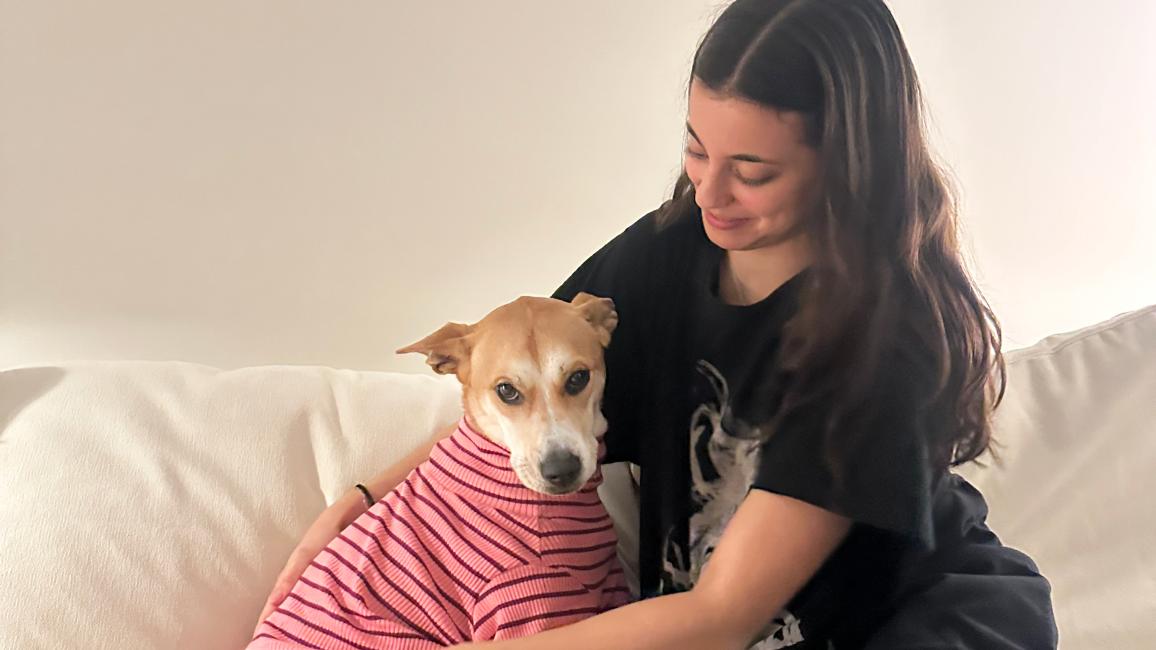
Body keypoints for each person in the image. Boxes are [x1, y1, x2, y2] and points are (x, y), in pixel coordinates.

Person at [256, 1, 1058, 647]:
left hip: (925, 622)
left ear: (847, 161)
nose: (709, 193)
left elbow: (722, 619)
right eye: (696, 149)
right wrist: (358, 502)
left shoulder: (879, 342)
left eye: (752, 171)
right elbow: (506, 392)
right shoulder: (667, 251)